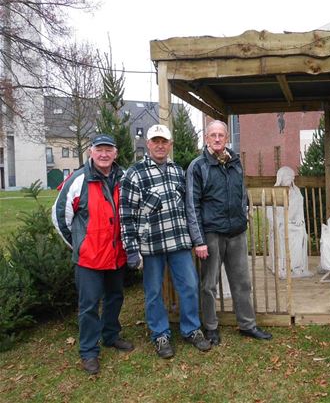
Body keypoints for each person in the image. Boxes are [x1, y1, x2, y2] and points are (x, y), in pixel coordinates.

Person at [120, 124, 211, 359]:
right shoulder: (135, 173)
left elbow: (189, 206)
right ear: (148, 144)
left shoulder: (178, 171)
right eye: (155, 141)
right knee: (153, 292)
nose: (160, 146)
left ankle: (191, 329)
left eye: (164, 142)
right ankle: (160, 334)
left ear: (170, 145)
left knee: (189, 287)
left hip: (179, 242)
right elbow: (126, 215)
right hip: (151, 245)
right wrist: (131, 248)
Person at [52, 134, 133, 375]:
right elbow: (59, 216)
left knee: (115, 297)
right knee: (88, 306)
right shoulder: (79, 180)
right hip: (89, 259)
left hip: (116, 254)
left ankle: (111, 335)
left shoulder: (124, 177)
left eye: (109, 150)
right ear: (91, 152)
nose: (104, 154)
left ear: (115, 153)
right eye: (100, 150)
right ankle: (88, 351)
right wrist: (78, 245)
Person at [186, 120, 272, 346]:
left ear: (226, 138)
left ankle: (247, 325)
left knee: (242, 282)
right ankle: (211, 327)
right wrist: (198, 240)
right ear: (206, 139)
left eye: (220, 135)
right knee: (209, 285)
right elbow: (191, 205)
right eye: (212, 135)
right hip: (211, 234)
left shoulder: (235, 163)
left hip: (237, 232)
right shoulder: (198, 166)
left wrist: (243, 213)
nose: (216, 139)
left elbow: (241, 192)